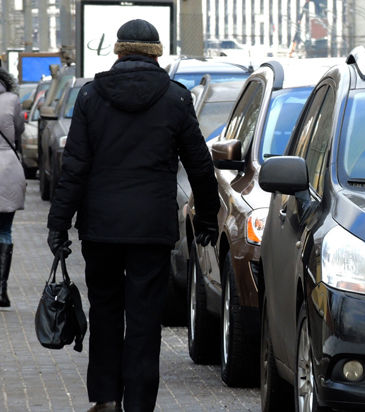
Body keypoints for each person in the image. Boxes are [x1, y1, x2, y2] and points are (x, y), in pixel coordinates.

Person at [47, 19, 220, 412]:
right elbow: (199, 165)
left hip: (101, 227)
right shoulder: (175, 98)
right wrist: (208, 218)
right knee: (144, 318)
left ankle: (106, 397)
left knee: (105, 309)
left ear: (119, 51)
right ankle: (139, 403)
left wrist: (58, 224)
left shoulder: (91, 96)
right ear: (156, 53)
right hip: (151, 229)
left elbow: (74, 167)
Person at [0, 68, 25, 308]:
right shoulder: (12, 100)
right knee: (5, 230)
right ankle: (1, 291)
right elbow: (19, 131)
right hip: (8, 169)